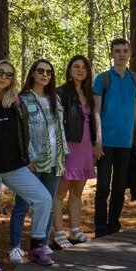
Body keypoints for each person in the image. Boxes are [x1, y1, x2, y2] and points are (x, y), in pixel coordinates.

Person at [0, 60, 55, 271]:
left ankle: (37, 246)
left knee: (43, 198)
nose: (4, 78)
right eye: (0, 73)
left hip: (14, 167)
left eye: (9, 75)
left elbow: (24, 132)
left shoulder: (16, 103)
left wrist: (28, 156)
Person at [7, 59, 68, 262]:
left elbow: (60, 129)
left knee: (48, 203)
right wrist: (28, 157)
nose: (44, 75)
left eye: (48, 72)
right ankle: (15, 246)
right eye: (40, 71)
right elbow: (21, 132)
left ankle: (41, 243)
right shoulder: (22, 99)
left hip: (54, 160)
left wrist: (63, 153)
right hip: (32, 162)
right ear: (32, 73)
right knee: (22, 205)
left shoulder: (55, 99)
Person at [93, 39, 136, 237]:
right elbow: (96, 111)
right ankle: (100, 228)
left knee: (120, 186)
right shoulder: (103, 79)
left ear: (130, 53)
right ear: (111, 54)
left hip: (126, 143)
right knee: (103, 186)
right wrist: (98, 140)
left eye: (125, 51)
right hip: (105, 143)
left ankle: (114, 225)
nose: (121, 54)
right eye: (117, 51)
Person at [54, 55, 96, 246]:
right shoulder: (61, 92)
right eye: (76, 67)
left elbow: (94, 121)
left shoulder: (90, 93)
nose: (80, 70)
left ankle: (75, 231)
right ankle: (59, 233)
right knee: (60, 192)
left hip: (86, 145)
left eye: (83, 67)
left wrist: (97, 143)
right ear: (69, 70)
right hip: (68, 145)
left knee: (78, 192)